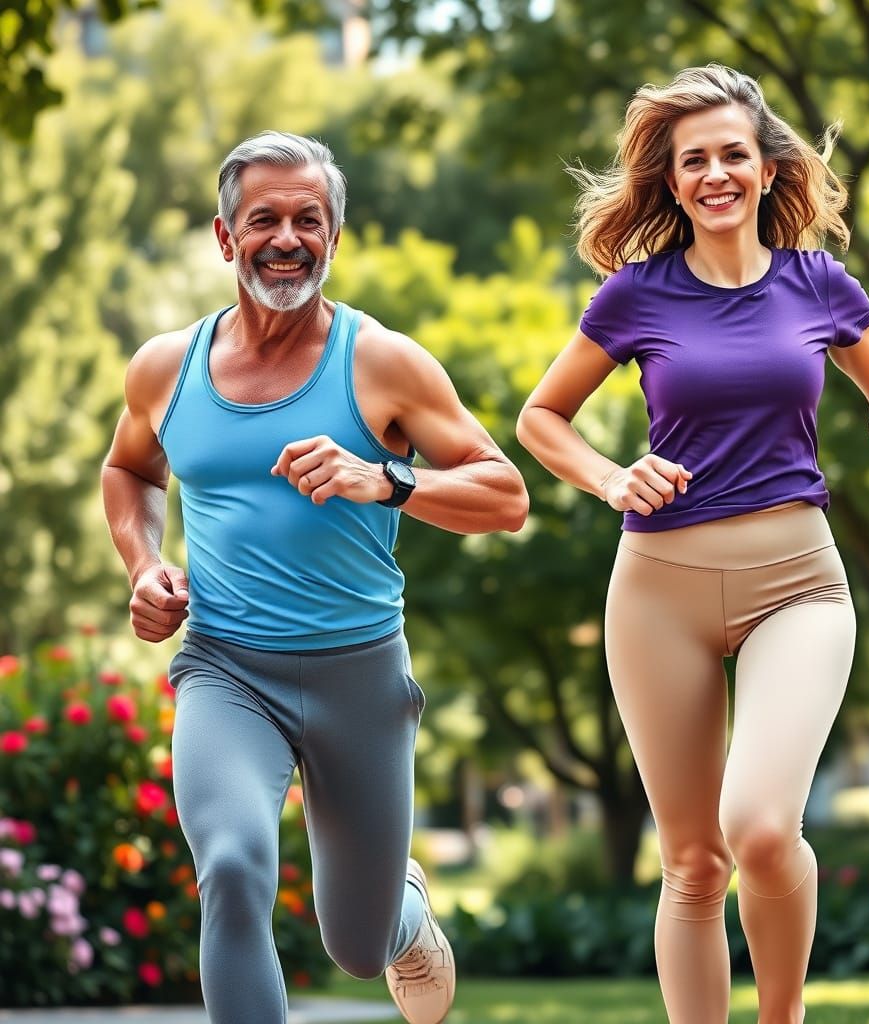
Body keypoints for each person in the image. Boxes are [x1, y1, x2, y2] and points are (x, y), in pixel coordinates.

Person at [516, 65, 869, 1024]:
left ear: (763, 166)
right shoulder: (635, 297)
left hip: (798, 584)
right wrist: (612, 477)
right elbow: (542, 418)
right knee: (693, 863)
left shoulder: (817, 283)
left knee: (756, 828)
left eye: (731, 155)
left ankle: (781, 1017)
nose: (714, 174)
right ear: (669, 181)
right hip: (658, 587)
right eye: (692, 160)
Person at [101, 130, 528, 1024]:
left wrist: (387, 479)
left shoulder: (382, 363)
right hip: (226, 669)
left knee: (356, 945)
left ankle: (404, 917)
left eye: (310, 219)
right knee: (232, 867)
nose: (287, 238)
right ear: (226, 238)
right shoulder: (164, 368)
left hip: (359, 675)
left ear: (334, 236)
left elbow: (505, 495)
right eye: (264, 220)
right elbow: (131, 471)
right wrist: (146, 565)